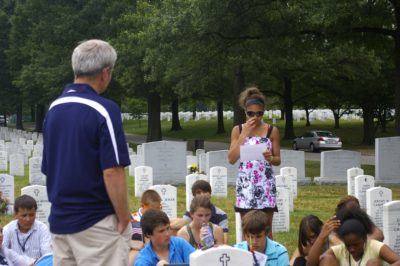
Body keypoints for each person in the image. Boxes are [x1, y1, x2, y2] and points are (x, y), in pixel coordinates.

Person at [41, 39, 131, 265]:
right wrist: (123, 218)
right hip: (96, 223)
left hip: (61, 221)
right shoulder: (104, 109)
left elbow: (49, 167)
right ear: (105, 73)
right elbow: (112, 170)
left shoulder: (54, 109)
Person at [228, 87, 281, 238]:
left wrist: (270, 158)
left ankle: (270, 259)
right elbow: (231, 159)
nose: (255, 117)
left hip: (265, 183)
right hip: (246, 184)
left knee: (266, 229)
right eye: (251, 113)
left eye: (259, 113)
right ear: (245, 111)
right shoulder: (238, 130)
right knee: (247, 228)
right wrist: (244, 134)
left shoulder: (272, 131)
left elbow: (278, 160)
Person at [308, 208, 400, 266]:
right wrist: (321, 237)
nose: (352, 249)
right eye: (348, 245)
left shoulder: (374, 246)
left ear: (364, 238)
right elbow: (311, 264)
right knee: (326, 259)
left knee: (373, 263)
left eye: (356, 245)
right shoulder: (340, 250)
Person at [170, 180, 229, 244]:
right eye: (199, 192)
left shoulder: (220, 216)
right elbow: (184, 224)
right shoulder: (184, 232)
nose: (202, 195)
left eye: (205, 192)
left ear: (210, 194)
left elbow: (223, 243)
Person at [2, 195, 52, 264]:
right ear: (15, 215)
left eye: (32, 215)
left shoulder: (42, 229)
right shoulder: (8, 229)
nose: (28, 219)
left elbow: (47, 256)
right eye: (24, 215)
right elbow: (2, 253)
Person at [130, 189, 163, 265]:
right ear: (142, 206)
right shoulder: (132, 220)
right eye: (152, 210)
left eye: (158, 209)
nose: (155, 213)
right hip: (137, 253)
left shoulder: (162, 218)